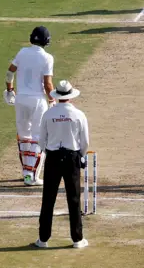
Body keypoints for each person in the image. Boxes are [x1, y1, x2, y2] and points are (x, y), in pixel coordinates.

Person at [32, 80, 89, 249]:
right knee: (74, 198)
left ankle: (43, 239)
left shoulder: (49, 114)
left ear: (57, 95)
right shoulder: (79, 114)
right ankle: (77, 239)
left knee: (48, 198)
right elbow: (85, 141)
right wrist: (81, 155)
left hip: (53, 157)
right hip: (72, 157)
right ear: (70, 97)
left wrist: (49, 152)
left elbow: (41, 140)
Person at [4, 26, 55, 186]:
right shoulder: (47, 58)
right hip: (37, 100)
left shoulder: (22, 52)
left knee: (24, 137)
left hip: (21, 99)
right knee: (38, 138)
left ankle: (26, 173)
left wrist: (10, 89)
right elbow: (47, 84)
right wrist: (52, 100)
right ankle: (32, 176)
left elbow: (9, 72)